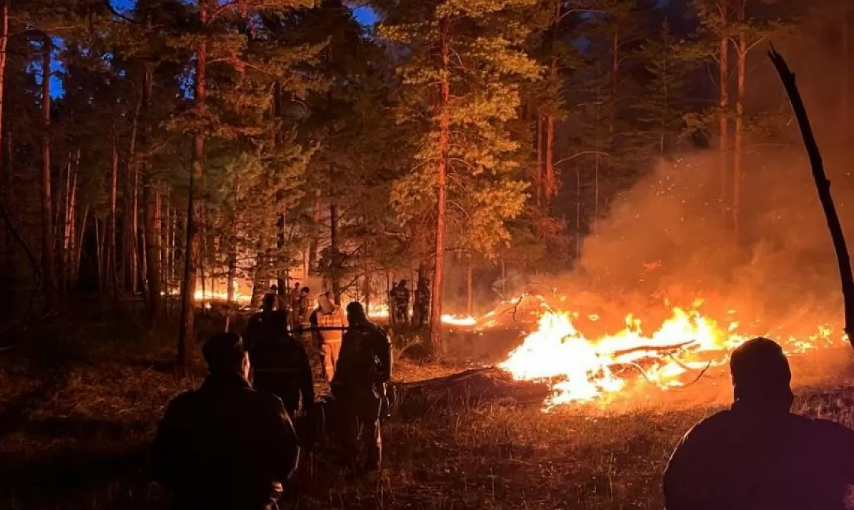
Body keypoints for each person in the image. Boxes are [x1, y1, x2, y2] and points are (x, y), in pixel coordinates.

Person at [663, 337, 854, 510]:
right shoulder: (823, 440)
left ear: (736, 385)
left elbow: (674, 498)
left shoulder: (700, 441)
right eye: (783, 381)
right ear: (783, 389)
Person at [152, 332, 299, 510]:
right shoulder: (268, 406)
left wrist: (190, 490)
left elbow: (160, 462)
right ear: (244, 363)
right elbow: (288, 456)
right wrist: (268, 486)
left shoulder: (183, 407)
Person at [331, 302, 392, 473]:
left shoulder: (364, 334)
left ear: (352, 315)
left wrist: (379, 379)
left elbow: (343, 363)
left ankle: (362, 462)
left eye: (348, 315)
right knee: (367, 425)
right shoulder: (373, 332)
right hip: (362, 388)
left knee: (361, 425)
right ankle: (365, 463)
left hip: (362, 387)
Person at [250, 310, 315, 419]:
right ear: (286, 326)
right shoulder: (296, 348)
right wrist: (308, 404)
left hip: (265, 402)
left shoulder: (260, 348)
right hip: (287, 402)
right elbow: (306, 378)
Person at [308, 291, 347, 383]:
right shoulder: (339, 310)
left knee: (327, 363)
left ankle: (329, 381)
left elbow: (312, 322)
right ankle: (338, 381)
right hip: (338, 342)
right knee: (337, 361)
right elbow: (345, 326)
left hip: (324, 341)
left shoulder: (318, 312)